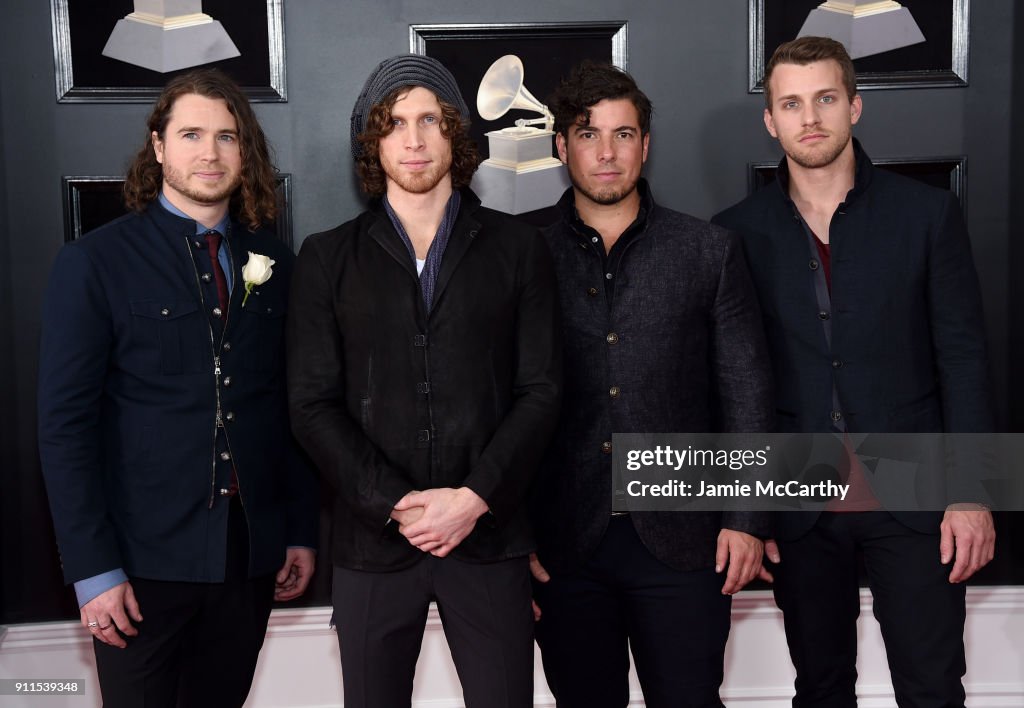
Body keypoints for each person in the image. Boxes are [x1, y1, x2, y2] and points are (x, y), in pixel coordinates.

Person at [712, 36, 996, 708]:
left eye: (825, 99)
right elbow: (729, 381)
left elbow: (964, 355)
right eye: (791, 103)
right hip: (798, 502)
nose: (809, 117)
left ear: (855, 107)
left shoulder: (926, 215)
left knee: (932, 688)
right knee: (822, 687)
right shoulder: (734, 233)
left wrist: (973, 493)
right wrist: (748, 511)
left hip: (919, 494)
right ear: (771, 120)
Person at [286, 54, 561, 708]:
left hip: (488, 538)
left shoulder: (517, 248)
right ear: (372, 140)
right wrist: (400, 506)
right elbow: (311, 404)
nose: (413, 140)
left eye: (430, 120)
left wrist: (470, 500)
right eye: (394, 123)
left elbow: (543, 391)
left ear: (456, 133)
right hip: (373, 544)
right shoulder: (326, 258)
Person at [37, 68, 318, 708]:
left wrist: (298, 529)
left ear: (244, 153)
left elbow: (286, 408)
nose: (209, 153)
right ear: (158, 147)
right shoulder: (93, 263)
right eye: (190, 133)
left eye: (226, 136)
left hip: (247, 561)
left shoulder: (277, 264)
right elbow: (64, 428)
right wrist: (93, 571)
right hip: (137, 570)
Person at [530, 60, 774, 708]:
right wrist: (512, 536)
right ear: (561, 147)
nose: (606, 153)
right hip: (564, 542)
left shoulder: (708, 251)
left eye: (624, 134)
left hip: (686, 540)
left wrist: (746, 518)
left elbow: (746, 392)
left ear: (646, 143)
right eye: (588, 134)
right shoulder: (523, 257)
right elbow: (499, 403)